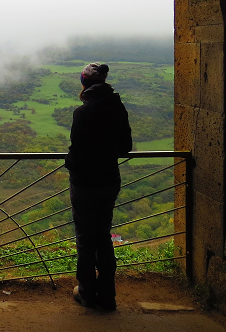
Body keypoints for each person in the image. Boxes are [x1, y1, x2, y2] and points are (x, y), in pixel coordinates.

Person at [64, 62, 132, 311]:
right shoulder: (118, 108)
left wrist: (69, 163)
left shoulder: (82, 113)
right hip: (109, 181)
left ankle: (87, 293)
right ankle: (108, 295)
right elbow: (125, 147)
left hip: (85, 184)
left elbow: (77, 153)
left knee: (85, 238)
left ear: (84, 84)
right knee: (103, 236)